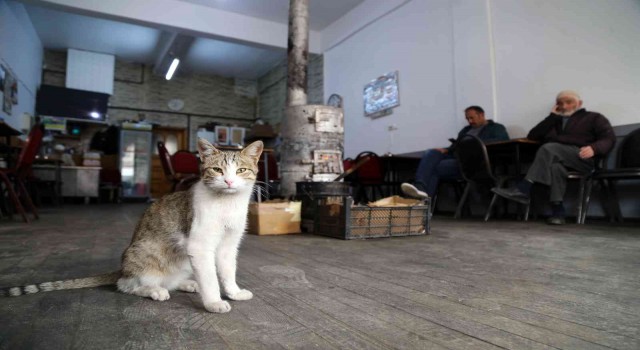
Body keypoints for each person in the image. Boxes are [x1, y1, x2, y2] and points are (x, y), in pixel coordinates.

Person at [491, 90, 616, 225]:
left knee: (549, 147)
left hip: (582, 158)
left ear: (579, 103)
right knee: (555, 167)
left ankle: (524, 188)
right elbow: (532, 136)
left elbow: (609, 137)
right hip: (558, 160)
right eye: (560, 103)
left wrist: (594, 148)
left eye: (569, 102)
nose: (565, 106)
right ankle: (558, 211)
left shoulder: (593, 117)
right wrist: (552, 116)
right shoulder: (553, 121)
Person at [401, 106, 509, 199]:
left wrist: (473, 143)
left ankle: (421, 197)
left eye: (472, 118)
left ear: (481, 115)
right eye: (467, 119)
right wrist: (448, 149)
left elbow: (502, 141)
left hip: (475, 163)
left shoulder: (496, 128)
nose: (470, 121)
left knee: (434, 168)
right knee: (431, 153)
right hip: (456, 158)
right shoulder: (466, 130)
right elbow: (456, 144)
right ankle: (420, 190)